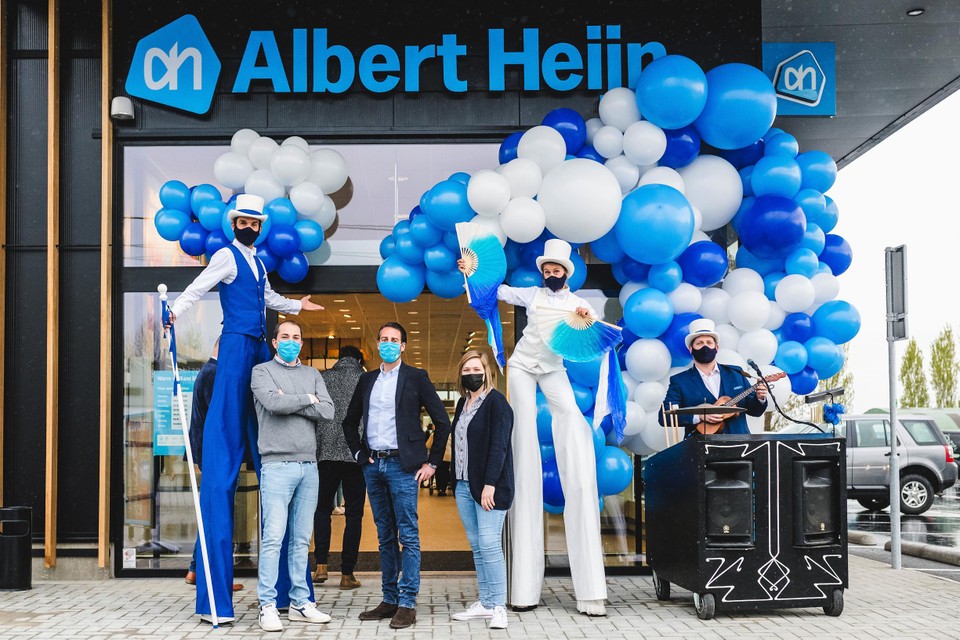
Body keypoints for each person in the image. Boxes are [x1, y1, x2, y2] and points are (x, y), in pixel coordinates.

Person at [165, 193, 324, 623]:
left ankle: (291, 595)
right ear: (234, 223)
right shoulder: (226, 256)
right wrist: (174, 311)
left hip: (257, 348)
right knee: (227, 437)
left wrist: (297, 306)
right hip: (236, 346)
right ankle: (216, 600)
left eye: (256, 223)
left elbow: (268, 297)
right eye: (245, 221)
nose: (250, 227)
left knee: (266, 415)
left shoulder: (257, 263)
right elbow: (199, 287)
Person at [465, 238, 607, 616]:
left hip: (555, 370)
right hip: (524, 368)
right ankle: (523, 589)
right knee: (522, 440)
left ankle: (591, 592)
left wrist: (591, 323)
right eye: (547, 269)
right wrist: (472, 274)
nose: (551, 274)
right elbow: (502, 292)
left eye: (556, 270)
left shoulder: (579, 303)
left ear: (566, 273)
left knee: (573, 420)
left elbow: (594, 331)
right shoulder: (533, 294)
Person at [341, 322, 451, 629]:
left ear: (403, 346)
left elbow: (442, 423)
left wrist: (432, 463)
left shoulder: (417, 377)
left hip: (405, 466)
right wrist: (359, 455)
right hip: (373, 467)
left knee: (409, 536)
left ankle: (407, 602)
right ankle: (389, 599)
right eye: (384, 339)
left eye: (395, 340)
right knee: (384, 536)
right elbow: (349, 423)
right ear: (377, 344)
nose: (389, 343)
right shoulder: (367, 380)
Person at [250, 320, 335, 632]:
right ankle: (268, 606)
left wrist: (294, 399)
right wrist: (307, 399)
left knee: (300, 539)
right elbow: (272, 403)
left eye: (296, 337)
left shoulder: (312, 374)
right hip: (276, 466)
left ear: (302, 342)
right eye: (285, 336)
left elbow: (328, 411)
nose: (291, 341)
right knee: (273, 538)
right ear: (274, 342)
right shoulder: (262, 372)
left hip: (308, 466)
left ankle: (300, 603)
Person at [449, 350, 514, 630]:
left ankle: (499, 606)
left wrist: (489, 484)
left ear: (487, 372)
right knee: (478, 547)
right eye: (465, 370)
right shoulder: (464, 405)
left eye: (475, 369)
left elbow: (499, 447)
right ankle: (486, 603)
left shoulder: (497, 403)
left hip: (490, 487)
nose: (471, 374)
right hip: (464, 485)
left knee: (489, 545)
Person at [183, 337, 241, 592]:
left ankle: (197, 569)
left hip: (209, 453)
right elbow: (220, 415)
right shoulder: (215, 373)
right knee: (216, 515)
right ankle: (207, 572)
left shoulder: (208, 371)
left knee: (212, 513)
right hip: (216, 454)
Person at [313, 345, 366, 590]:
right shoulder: (366, 380)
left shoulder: (322, 378)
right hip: (356, 456)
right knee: (354, 514)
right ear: (358, 360)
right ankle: (347, 574)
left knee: (322, 509)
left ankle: (321, 566)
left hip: (325, 455)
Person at [659, 318, 768, 437]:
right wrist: (698, 416)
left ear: (716, 348)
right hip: (698, 449)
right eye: (699, 343)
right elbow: (664, 416)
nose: (705, 347)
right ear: (691, 349)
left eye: (709, 343)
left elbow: (755, 411)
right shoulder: (680, 381)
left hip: (740, 446)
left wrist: (760, 398)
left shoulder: (736, 373)